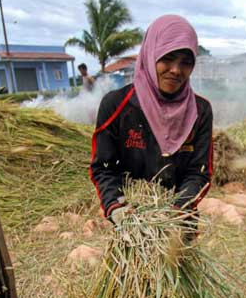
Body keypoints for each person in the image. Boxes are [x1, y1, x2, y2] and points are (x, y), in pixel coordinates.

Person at [89, 15, 213, 225]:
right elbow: (103, 167)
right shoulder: (117, 105)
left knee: (179, 259)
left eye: (186, 63)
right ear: (150, 54)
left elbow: (199, 172)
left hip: (179, 223)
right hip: (131, 223)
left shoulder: (200, 111)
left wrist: (176, 210)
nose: (176, 70)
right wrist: (117, 207)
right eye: (167, 58)